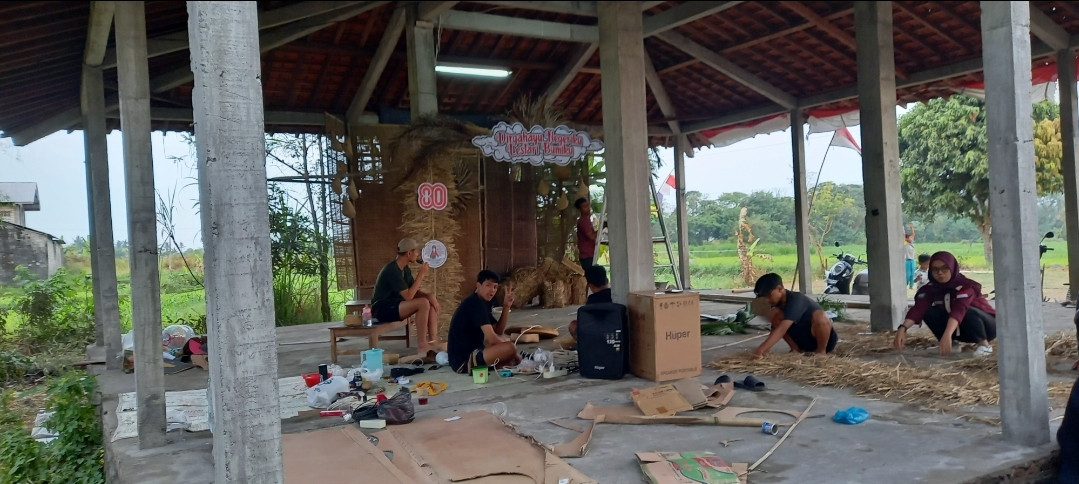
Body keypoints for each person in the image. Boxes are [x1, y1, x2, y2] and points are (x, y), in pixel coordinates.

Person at [894, 251, 996, 357]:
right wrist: (903, 328)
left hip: (987, 327)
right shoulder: (930, 289)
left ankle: (984, 345)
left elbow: (959, 309)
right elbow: (919, 308)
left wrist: (947, 334)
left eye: (945, 268)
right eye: (935, 269)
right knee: (929, 312)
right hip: (961, 330)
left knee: (968, 311)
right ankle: (952, 344)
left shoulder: (966, 286)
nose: (940, 273)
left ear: (952, 267)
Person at [371, 237, 441, 354]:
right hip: (382, 309)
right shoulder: (392, 270)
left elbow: (413, 292)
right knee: (423, 303)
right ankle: (422, 345)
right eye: (416, 251)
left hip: (396, 305)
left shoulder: (405, 269)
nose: (418, 254)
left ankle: (433, 341)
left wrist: (430, 296)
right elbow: (408, 296)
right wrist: (421, 275)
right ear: (409, 253)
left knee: (428, 300)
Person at [447, 270, 522, 374]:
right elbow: (492, 339)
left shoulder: (482, 302)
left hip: (473, 352)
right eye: (488, 285)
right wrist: (514, 353)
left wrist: (506, 306)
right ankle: (506, 361)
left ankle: (503, 362)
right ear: (478, 285)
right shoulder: (475, 303)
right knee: (510, 347)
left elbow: (498, 331)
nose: (492, 290)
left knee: (504, 341)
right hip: (463, 361)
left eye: (495, 287)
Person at [751, 273, 838, 357]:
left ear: (779, 289)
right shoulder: (776, 305)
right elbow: (775, 329)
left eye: (769, 296)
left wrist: (761, 349)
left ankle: (821, 352)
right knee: (775, 314)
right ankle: (795, 349)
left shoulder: (796, 300)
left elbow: (781, 329)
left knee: (820, 315)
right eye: (764, 298)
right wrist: (766, 349)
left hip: (825, 343)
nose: (767, 300)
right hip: (803, 341)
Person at [568, 265, 613, 340]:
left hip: (597, 335)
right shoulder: (616, 295)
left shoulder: (592, 300)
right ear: (607, 280)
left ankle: (584, 345)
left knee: (573, 325)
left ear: (591, 286)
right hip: (615, 331)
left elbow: (586, 321)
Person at [574, 197, 597, 268]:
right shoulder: (583, 221)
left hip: (589, 254)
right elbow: (591, 236)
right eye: (584, 207)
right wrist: (602, 228)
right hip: (587, 256)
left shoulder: (586, 220)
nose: (588, 208)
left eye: (588, 205)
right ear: (580, 209)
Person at [904, 222, 917, 289]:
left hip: (912, 260)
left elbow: (913, 234)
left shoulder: (911, 243)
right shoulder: (905, 243)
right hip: (907, 260)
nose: (911, 239)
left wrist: (911, 227)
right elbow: (903, 236)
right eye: (910, 237)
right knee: (907, 274)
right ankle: (905, 284)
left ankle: (911, 285)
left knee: (912, 274)